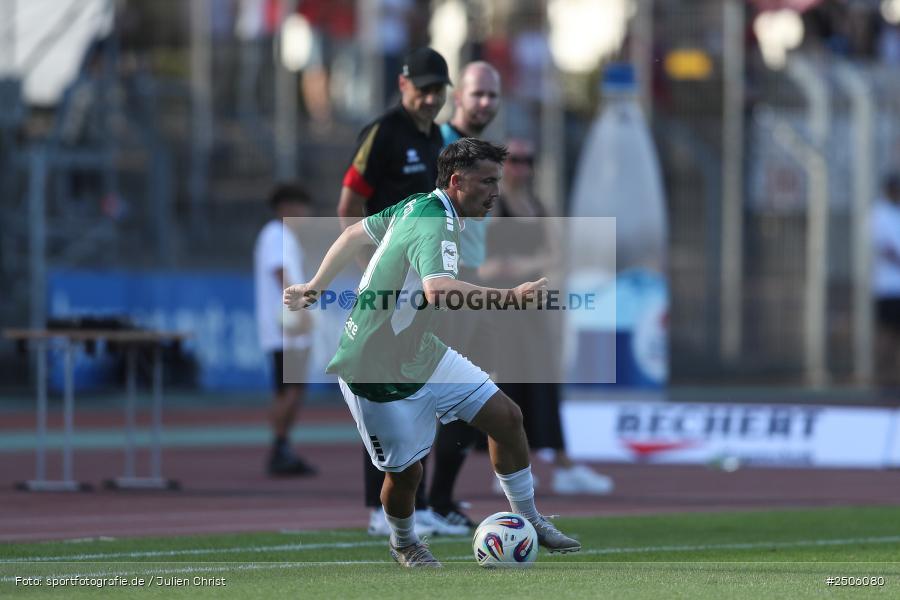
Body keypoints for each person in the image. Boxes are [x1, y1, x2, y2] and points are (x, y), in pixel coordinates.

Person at [285, 138, 582, 567]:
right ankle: (404, 542)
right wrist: (512, 297)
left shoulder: (419, 204)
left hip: (422, 352)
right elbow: (438, 290)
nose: (496, 191)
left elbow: (352, 233)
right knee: (405, 475)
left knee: (507, 417)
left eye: (498, 180)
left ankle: (529, 519)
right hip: (373, 367)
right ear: (458, 181)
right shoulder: (434, 222)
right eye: (488, 181)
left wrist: (316, 286)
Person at [336, 47, 465, 536]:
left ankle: (419, 500)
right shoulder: (383, 133)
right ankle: (379, 507)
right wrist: (375, 273)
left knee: (420, 389)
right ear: (402, 84)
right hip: (389, 287)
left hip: (424, 286)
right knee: (382, 390)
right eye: (424, 89)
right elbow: (349, 206)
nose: (432, 98)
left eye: (439, 90)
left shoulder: (438, 137)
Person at [480, 138, 614, 494]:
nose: (520, 167)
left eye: (527, 160)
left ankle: (562, 462)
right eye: (513, 161)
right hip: (500, 309)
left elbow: (557, 256)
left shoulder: (537, 206)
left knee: (542, 386)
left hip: (533, 311)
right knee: (504, 387)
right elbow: (480, 262)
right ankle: (504, 469)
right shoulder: (491, 205)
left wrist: (523, 266)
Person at [427, 61, 502, 529]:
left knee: (466, 394)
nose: (485, 104)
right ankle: (401, 506)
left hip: (470, 280)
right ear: (459, 96)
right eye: (478, 94)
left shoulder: (484, 154)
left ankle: (438, 500)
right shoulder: (434, 144)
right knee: (424, 393)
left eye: (493, 96)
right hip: (434, 282)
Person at [254, 183, 318, 476]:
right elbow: (281, 273)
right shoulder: (274, 234)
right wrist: (299, 310)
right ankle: (278, 447)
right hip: (283, 328)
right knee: (286, 391)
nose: (305, 214)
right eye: (301, 207)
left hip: (290, 328)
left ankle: (283, 446)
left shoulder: (285, 236)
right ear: (287, 208)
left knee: (294, 389)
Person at [871, 171, 900, 389]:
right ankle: (883, 379)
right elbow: (884, 249)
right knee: (887, 334)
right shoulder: (878, 215)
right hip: (888, 288)